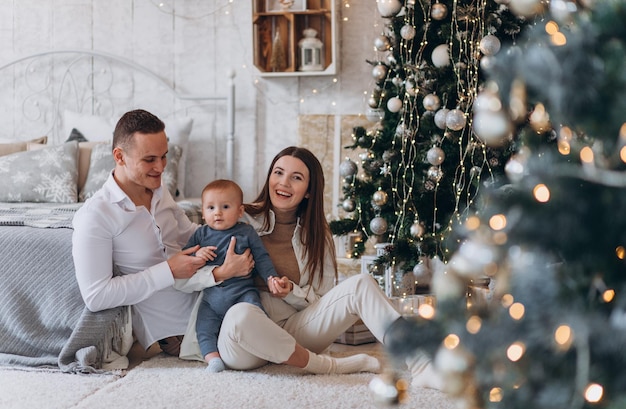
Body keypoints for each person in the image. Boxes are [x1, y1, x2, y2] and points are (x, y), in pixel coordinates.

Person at [177, 146, 442, 388]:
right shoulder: (234, 214)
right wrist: (221, 273)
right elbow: (181, 276)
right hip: (240, 338)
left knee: (361, 284)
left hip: (295, 327)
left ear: (309, 191)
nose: (283, 182)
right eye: (278, 173)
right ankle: (332, 366)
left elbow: (321, 301)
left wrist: (291, 291)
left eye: (296, 177)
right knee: (241, 314)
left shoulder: (317, 236)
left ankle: (421, 364)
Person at [72, 109, 255, 357]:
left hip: (216, 296)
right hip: (185, 332)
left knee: (289, 318)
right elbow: (96, 296)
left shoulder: (159, 191)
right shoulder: (96, 216)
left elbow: (187, 234)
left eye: (164, 157)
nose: (160, 168)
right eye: (149, 160)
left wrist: (235, 240)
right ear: (119, 156)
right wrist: (169, 271)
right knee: (266, 346)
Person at [182, 179, 279, 373]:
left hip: (242, 293)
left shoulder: (246, 232)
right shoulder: (201, 235)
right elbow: (185, 258)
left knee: (256, 315)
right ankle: (213, 359)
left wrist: (271, 278)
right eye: (210, 207)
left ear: (240, 211)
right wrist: (196, 255)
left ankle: (268, 346)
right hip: (212, 298)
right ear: (203, 212)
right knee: (204, 328)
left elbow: (261, 258)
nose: (217, 212)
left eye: (225, 207)